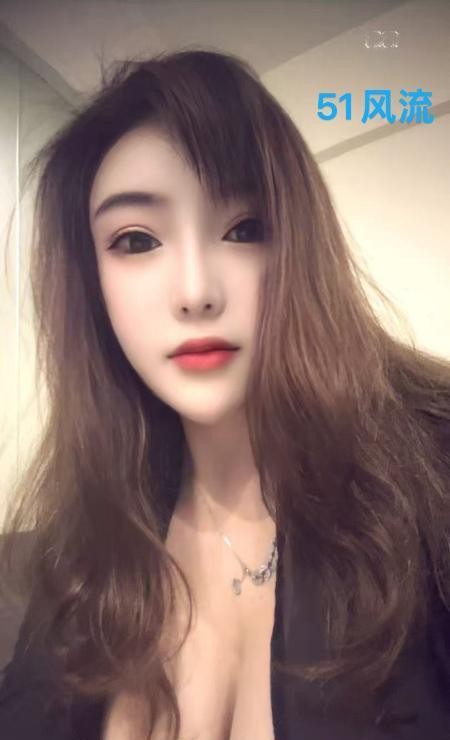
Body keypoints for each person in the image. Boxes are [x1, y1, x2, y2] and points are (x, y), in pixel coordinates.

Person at [0, 47, 449, 740]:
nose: (196, 292)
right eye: (136, 241)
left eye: (244, 229)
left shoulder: (432, 471)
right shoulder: (84, 541)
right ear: (91, 282)